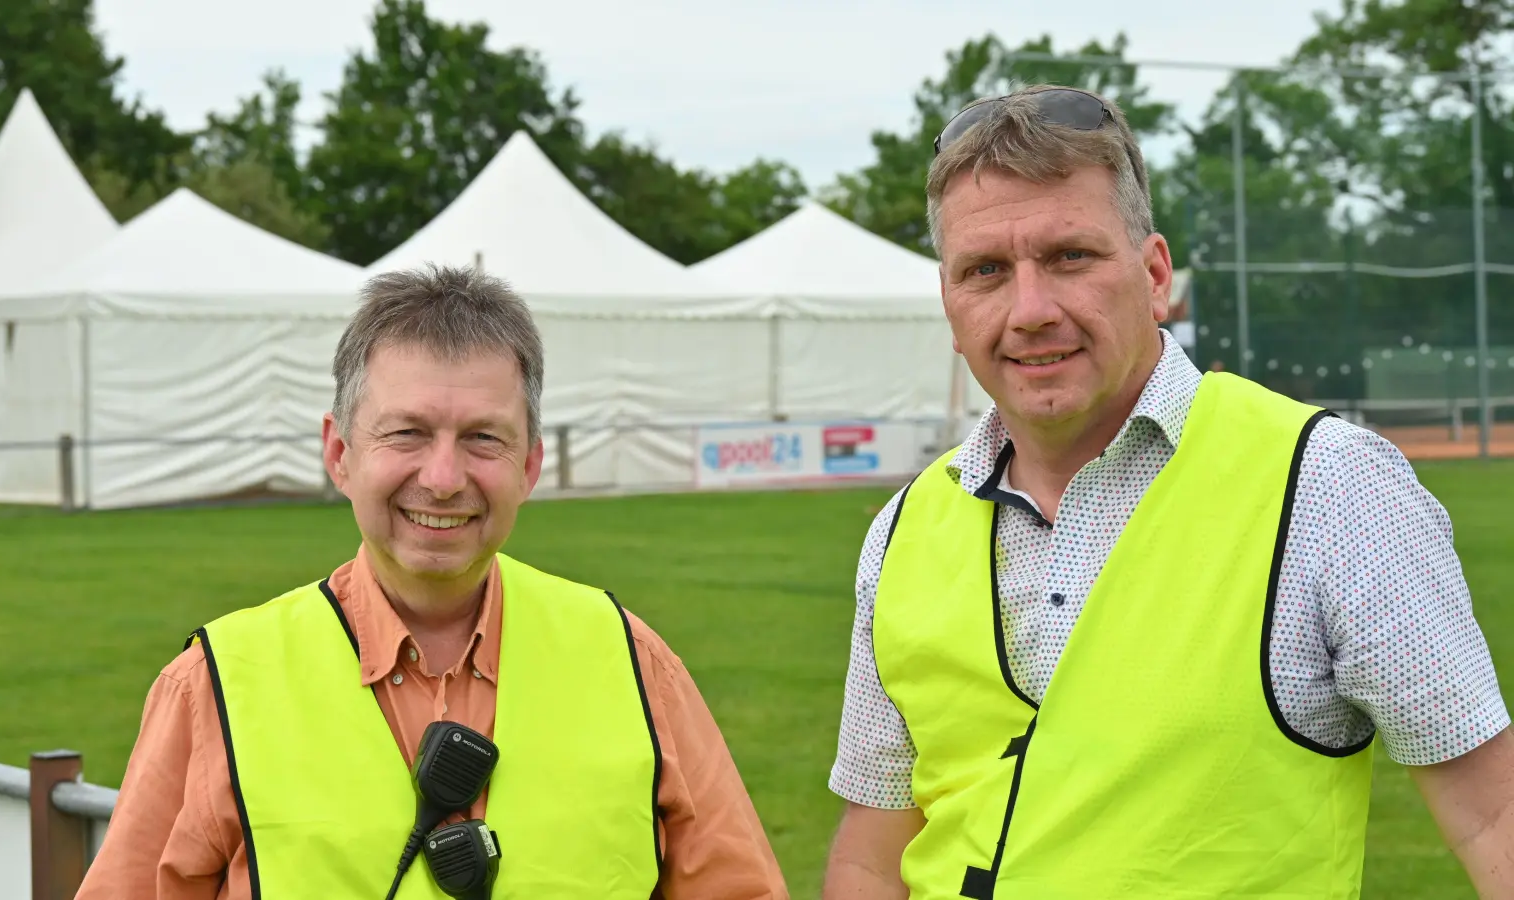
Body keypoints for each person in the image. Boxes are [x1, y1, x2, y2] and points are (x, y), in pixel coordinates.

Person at [821, 84, 1514, 899]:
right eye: (985, 271)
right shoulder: (904, 531)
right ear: (951, 302)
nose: (1031, 309)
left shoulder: (1328, 486)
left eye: (1069, 257)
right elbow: (874, 852)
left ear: (1155, 275)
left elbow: (1492, 818)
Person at [78, 265, 788, 899]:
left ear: (529, 466)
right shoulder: (215, 685)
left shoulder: (635, 663)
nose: (444, 480)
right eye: (407, 434)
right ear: (340, 452)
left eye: (483, 438)